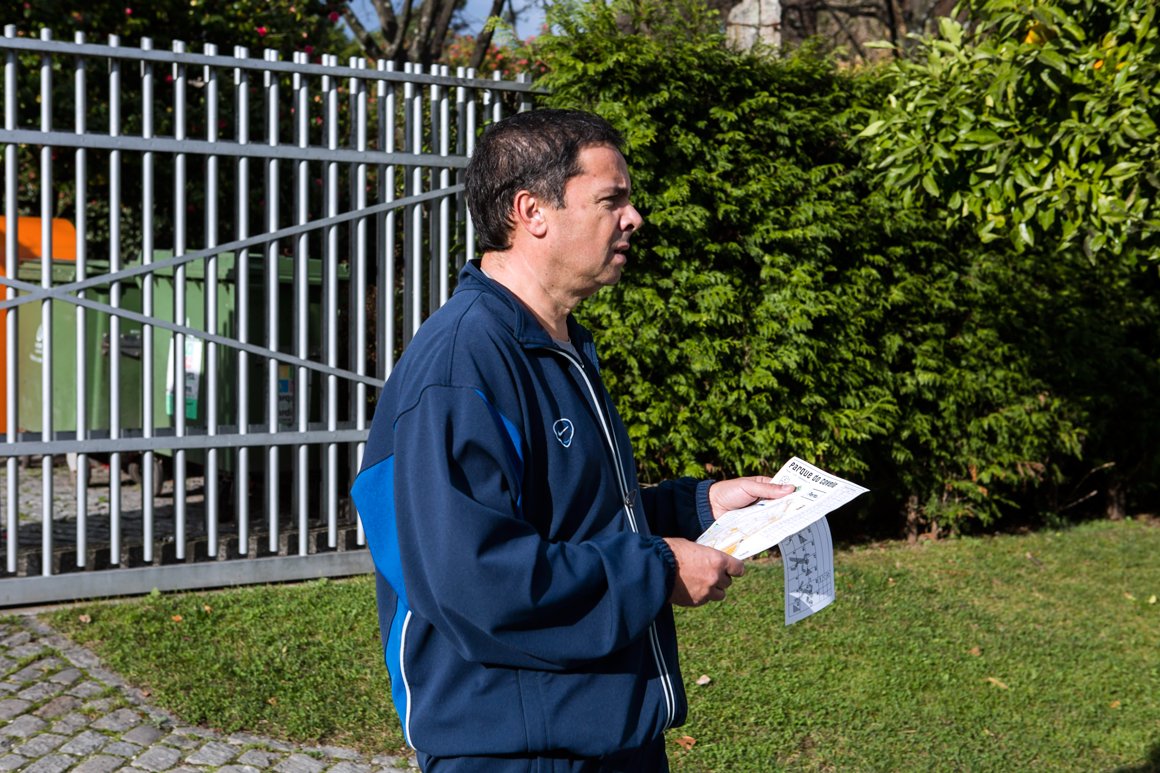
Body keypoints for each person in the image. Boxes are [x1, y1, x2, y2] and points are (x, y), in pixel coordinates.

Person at [351, 108, 793, 772]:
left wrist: (698, 508)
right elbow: (477, 579)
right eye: (611, 200)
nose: (633, 217)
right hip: (518, 750)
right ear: (532, 211)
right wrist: (658, 569)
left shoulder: (557, 345)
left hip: (606, 735)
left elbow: (573, 515)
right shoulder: (463, 364)